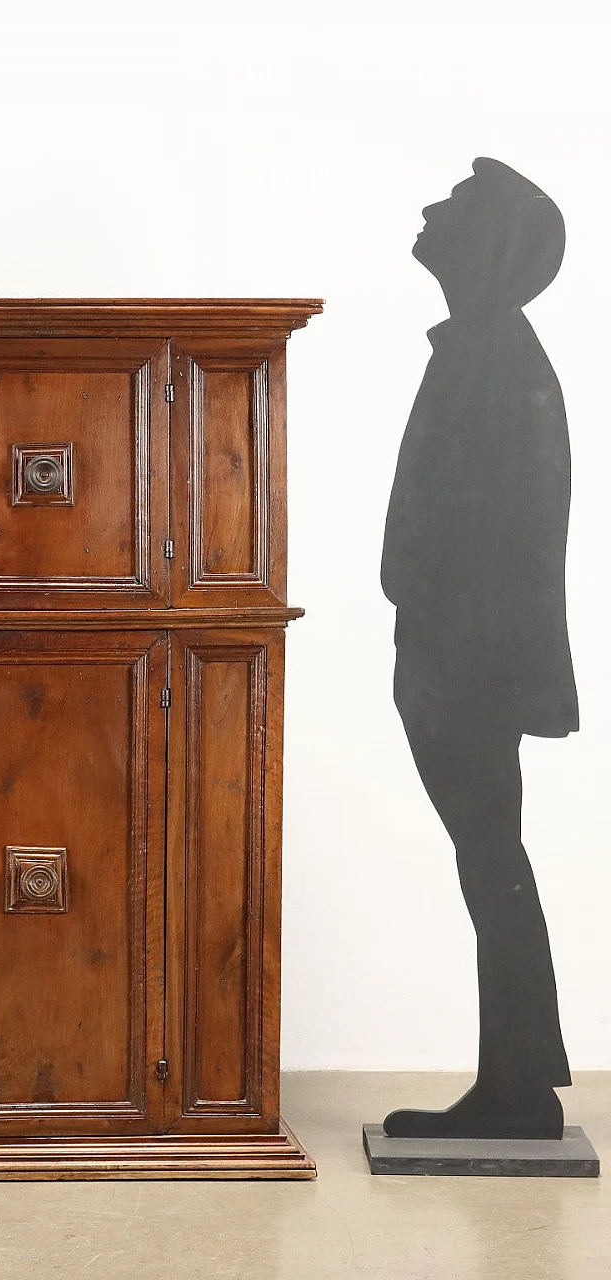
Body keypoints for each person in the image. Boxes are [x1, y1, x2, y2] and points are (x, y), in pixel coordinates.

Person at [380, 157, 576, 1140]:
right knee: (488, 858)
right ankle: (517, 1075)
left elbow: (516, 535)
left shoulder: (494, 360)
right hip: (454, 657)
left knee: (490, 859)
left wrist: (447, 649)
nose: (429, 209)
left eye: (454, 205)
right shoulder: (482, 353)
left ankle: (518, 1084)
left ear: (490, 243)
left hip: (466, 664)